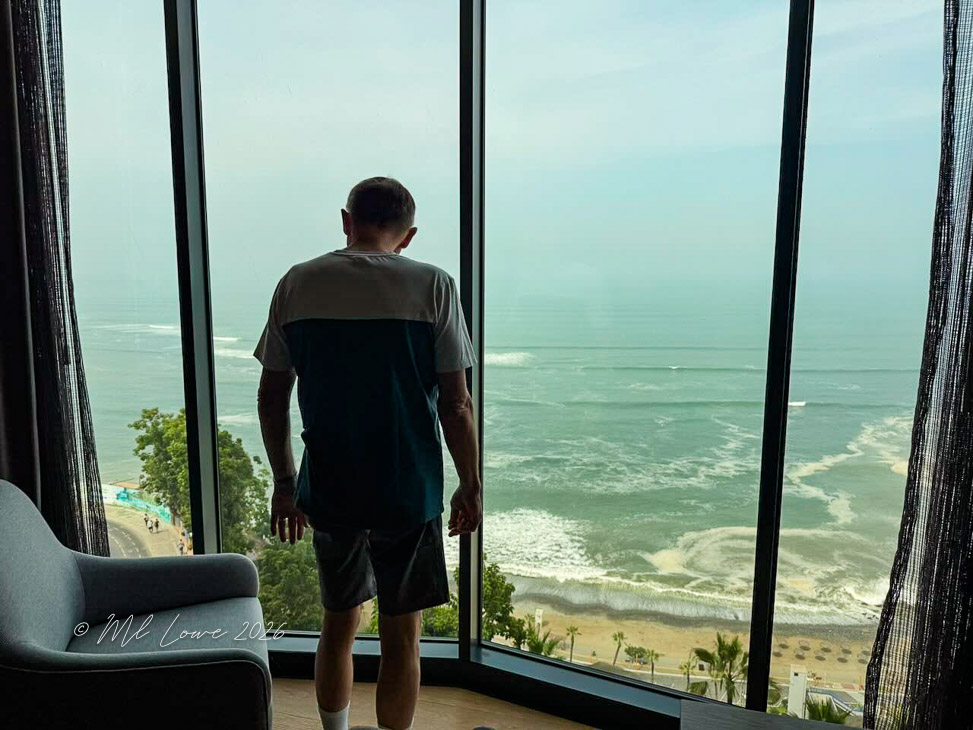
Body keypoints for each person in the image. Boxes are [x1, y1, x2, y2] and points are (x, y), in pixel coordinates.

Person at [256, 177, 481, 730]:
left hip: (329, 485)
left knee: (338, 623)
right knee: (401, 636)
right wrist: (470, 483)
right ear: (408, 236)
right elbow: (456, 405)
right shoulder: (433, 286)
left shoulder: (298, 282)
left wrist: (285, 484)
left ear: (345, 220)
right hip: (408, 488)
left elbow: (271, 397)